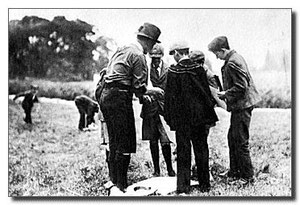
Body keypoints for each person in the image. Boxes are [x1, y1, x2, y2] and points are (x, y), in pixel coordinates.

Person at [99, 22, 163, 193]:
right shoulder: (139, 56)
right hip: (119, 98)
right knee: (125, 142)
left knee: (114, 140)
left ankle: (113, 181)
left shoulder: (123, 48)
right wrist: (154, 91)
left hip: (106, 95)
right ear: (149, 42)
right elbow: (139, 87)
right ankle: (122, 185)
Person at [164, 42, 219, 193]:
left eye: (173, 54)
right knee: (202, 150)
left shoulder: (173, 71)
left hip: (182, 120)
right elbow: (206, 94)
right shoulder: (199, 69)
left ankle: (183, 187)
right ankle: (205, 185)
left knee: (183, 152)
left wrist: (169, 117)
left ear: (176, 53)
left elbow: (169, 98)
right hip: (200, 118)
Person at [208, 36, 261, 185]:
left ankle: (247, 176)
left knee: (240, 141)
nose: (217, 57)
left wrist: (225, 94)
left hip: (243, 105)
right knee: (232, 138)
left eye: (216, 54)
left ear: (223, 50)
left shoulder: (232, 62)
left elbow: (241, 87)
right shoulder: (235, 58)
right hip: (240, 105)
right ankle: (234, 171)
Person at [140, 44, 175, 177]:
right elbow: (140, 87)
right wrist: (144, 96)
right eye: (153, 57)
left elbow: (172, 89)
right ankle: (156, 170)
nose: (155, 60)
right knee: (153, 140)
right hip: (149, 109)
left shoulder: (169, 69)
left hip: (164, 109)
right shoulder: (145, 69)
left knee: (165, 140)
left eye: (157, 57)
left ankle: (170, 169)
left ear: (162, 56)